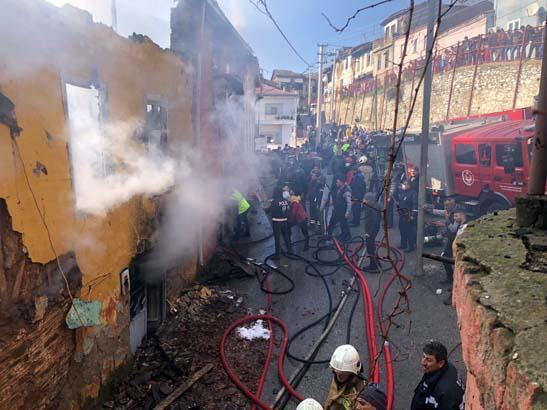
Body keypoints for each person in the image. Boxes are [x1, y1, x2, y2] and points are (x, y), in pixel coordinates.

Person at [411, 341, 464, 410]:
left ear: (441, 363)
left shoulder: (446, 393)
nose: (423, 362)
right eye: (423, 357)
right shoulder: (447, 368)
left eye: (429, 360)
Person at [324, 345, 366, 410]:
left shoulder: (361, 389)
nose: (339, 375)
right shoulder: (337, 378)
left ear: (353, 372)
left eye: (344, 372)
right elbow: (331, 397)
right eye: (336, 370)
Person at [327, 176, 352, 243]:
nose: (336, 183)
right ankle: (329, 236)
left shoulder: (346, 191)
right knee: (333, 223)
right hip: (337, 209)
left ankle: (346, 237)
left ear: (341, 182)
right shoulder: (340, 188)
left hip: (342, 211)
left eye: (337, 182)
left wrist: (347, 213)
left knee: (343, 224)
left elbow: (349, 203)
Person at [269, 186, 291, 259]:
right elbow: (288, 210)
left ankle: (277, 255)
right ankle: (290, 251)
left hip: (276, 222)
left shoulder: (274, 201)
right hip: (284, 221)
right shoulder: (285, 201)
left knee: (277, 239)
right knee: (286, 236)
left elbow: (269, 210)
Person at [362, 192, 382, 272]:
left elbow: (375, 222)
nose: (364, 201)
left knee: (370, 248)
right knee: (372, 247)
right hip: (370, 230)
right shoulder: (371, 205)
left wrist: (369, 233)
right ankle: (377, 262)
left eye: (366, 199)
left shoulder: (374, 208)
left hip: (371, 231)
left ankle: (373, 265)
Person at [396, 181, 417, 252]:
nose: (403, 185)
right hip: (402, 215)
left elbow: (415, 205)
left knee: (409, 231)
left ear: (409, 185)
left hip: (409, 216)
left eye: (405, 184)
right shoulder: (403, 192)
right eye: (403, 184)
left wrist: (412, 215)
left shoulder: (413, 193)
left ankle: (410, 247)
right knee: (402, 230)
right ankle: (403, 244)